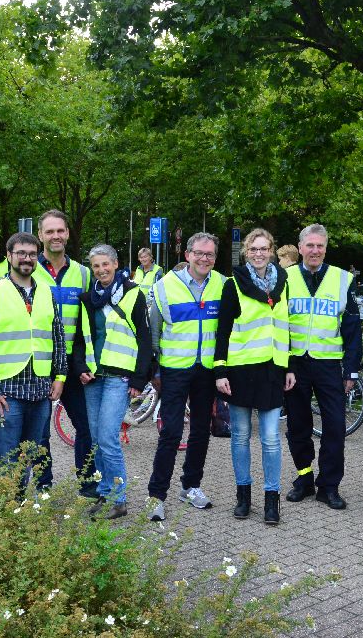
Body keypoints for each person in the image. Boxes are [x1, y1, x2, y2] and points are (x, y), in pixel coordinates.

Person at [0, 232, 66, 483]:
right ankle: (3, 514)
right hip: (5, 393)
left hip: (40, 392)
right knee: (4, 460)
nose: (27, 258)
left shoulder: (46, 292)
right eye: (21, 253)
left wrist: (60, 376)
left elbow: (58, 338)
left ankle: (24, 509)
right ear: (9, 256)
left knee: (32, 455)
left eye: (32, 254)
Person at [214, 229, 294, 525]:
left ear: (271, 251)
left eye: (264, 249)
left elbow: (286, 328)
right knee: (241, 437)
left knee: (271, 438)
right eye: (253, 249)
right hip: (240, 371)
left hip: (273, 371)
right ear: (246, 252)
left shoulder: (283, 285)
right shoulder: (233, 285)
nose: (259, 253)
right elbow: (222, 331)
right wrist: (220, 369)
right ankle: (243, 497)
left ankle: (271, 500)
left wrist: (289, 367)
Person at [145, 231, 225, 521]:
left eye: (210, 254)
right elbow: (153, 331)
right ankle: (156, 495)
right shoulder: (165, 286)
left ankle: (191, 486)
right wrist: (154, 369)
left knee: (201, 431)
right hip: (174, 369)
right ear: (188, 254)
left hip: (207, 369)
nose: (204, 259)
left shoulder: (223, 285)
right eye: (199, 253)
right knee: (171, 432)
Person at [283, 224, 362, 510]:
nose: (315, 250)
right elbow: (278, 324)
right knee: (297, 425)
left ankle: (329, 486)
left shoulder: (343, 279)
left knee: (335, 426)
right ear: (300, 247)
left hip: (330, 364)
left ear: (325, 248)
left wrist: (351, 370)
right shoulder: (286, 277)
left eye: (320, 246)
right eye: (310, 245)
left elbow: (353, 328)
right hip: (295, 365)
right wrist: (284, 364)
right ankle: (303, 478)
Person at [71, 244, 152, 520]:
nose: (101, 270)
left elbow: (144, 339)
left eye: (106, 264)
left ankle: (119, 499)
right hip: (93, 377)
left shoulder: (133, 294)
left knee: (107, 438)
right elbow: (82, 338)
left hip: (120, 376)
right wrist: (80, 367)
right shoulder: (86, 299)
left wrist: (141, 378)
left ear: (116, 264)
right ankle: (105, 492)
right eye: (96, 266)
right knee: (95, 438)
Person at [33, 210, 95, 495]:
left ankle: (87, 483)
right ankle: (43, 484)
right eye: (49, 231)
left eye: (60, 231)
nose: (55, 236)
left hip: (72, 362)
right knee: (39, 430)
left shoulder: (83, 273)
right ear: (40, 236)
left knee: (86, 425)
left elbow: (90, 321)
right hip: (39, 361)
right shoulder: (28, 269)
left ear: (68, 233)